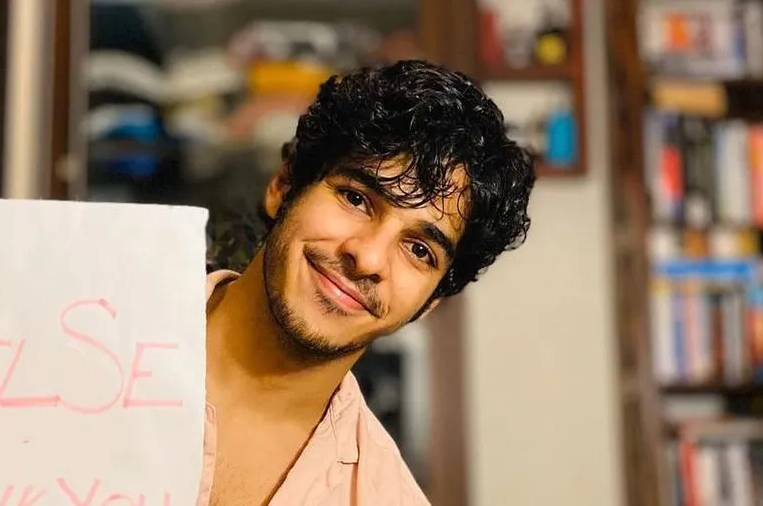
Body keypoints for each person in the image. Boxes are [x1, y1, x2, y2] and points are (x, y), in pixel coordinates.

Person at [201, 59, 535, 506]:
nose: (369, 257)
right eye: (356, 199)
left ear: (431, 302)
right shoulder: (111, 311)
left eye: (420, 250)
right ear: (284, 186)